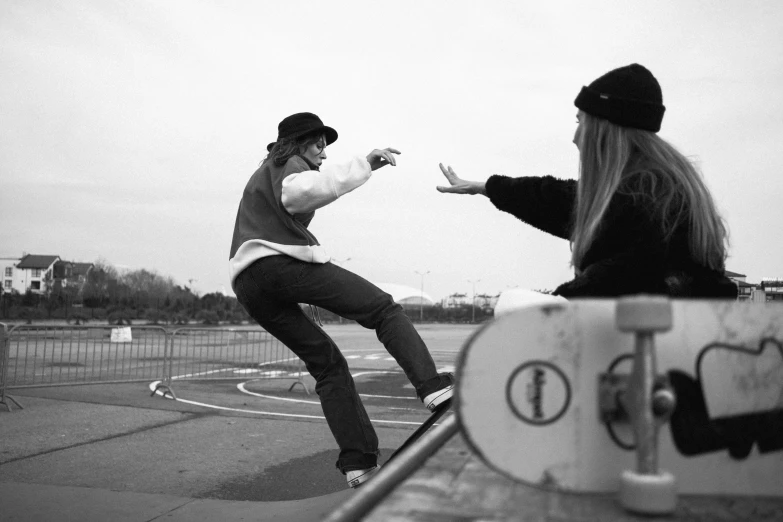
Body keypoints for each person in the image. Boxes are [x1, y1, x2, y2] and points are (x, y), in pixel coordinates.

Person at [229, 112, 454, 488]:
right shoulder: (288, 165)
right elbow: (305, 190)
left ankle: (359, 461)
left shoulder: (263, 177)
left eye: (326, 148)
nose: (323, 153)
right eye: (319, 144)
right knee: (383, 308)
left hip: (249, 284)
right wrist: (366, 164)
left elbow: (294, 204)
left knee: (327, 363)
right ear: (299, 143)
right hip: (277, 266)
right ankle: (432, 388)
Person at [437, 64, 737, 299]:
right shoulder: (650, 187)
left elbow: (624, 279)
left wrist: (553, 308)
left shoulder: (649, 196)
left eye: (580, 121)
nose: (575, 137)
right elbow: (554, 198)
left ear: (605, 129)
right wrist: (485, 187)